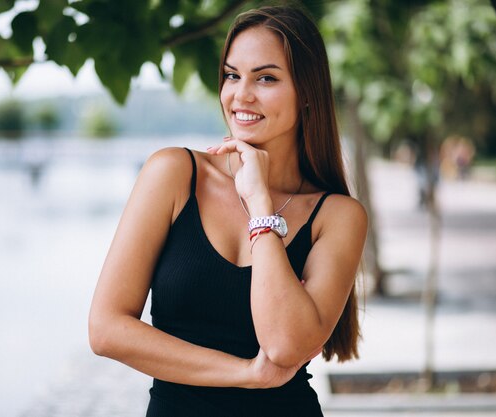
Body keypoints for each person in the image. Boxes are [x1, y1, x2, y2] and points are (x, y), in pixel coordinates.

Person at [88, 4, 367, 416]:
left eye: (266, 78)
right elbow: (106, 330)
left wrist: (260, 207)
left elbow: (286, 344)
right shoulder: (174, 174)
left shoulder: (338, 215)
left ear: (307, 92)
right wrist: (244, 373)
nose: (241, 95)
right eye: (232, 75)